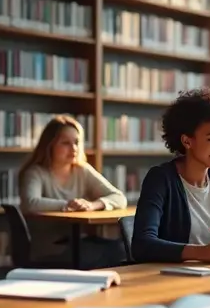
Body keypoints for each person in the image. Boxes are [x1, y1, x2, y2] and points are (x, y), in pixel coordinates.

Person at [131, 88, 210, 263]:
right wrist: (203, 252)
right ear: (187, 141)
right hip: (172, 275)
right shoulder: (161, 179)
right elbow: (142, 245)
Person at [19, 115, 128, 269]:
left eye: (76, 142)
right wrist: (69, 205)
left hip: (78, 243)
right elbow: (30, 203)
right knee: (116, 252)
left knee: (123, 248)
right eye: (65, 143)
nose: (74, 148)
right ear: (49, 145)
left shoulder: (82, 170)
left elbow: (119, 197)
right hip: (50, 249)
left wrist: (93, 205)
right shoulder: (35, 172)